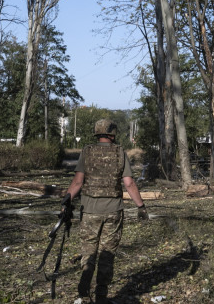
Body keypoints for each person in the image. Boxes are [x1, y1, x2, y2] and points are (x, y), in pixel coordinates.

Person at [65, 118, 147, 304]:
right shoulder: (120, 152)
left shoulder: (87, 152)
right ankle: (101, 296)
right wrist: (141, 206)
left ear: (97, 133)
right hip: (113, 212)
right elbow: (129, 183)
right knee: (107, 254)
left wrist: (66, 201)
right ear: (112, 134)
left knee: (89, 252)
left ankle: (84, 292)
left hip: (89, 212)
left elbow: (78, 182)